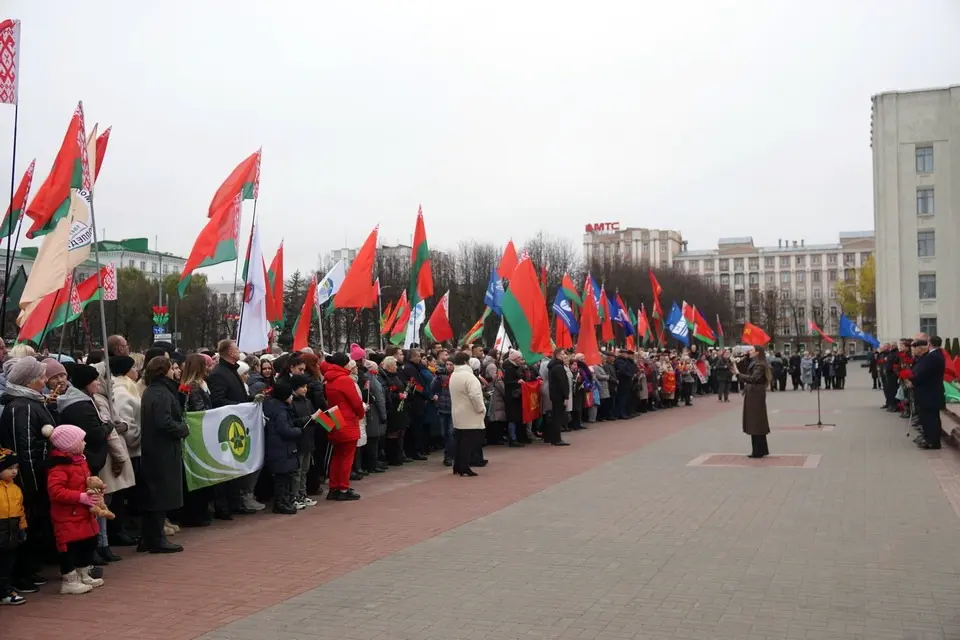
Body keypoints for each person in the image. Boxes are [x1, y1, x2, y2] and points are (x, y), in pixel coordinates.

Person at [0, 357, 57, 594]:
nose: (45, 381)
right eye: (42, 377)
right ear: (30, 380)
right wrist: (31, 482)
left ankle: (29, 570)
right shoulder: (20, 407)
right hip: (27, 478)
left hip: (37, 474)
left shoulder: (31, 402)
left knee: (36, 527)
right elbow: (22, 447)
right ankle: (21, 575)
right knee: (26, 528)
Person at [43, 424, 103, 595]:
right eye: (81, 440)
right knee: (69, 547)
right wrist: (80, 497)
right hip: (67, 515)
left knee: (88, 542)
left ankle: (84, 573)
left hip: (83, 512)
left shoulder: (80, 460)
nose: (84, 443)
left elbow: (87, 480)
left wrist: (95, 488)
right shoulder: (59, 467)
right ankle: (69, 579)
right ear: (70, 445)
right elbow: (56, 492)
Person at [138, 356, 189, 553]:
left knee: (154, 495)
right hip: (162, 450)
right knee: (160, 495)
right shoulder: (161, 393)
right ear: (163, 370)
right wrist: (182, 428)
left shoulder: (154, 391)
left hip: (156, 449)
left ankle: (148, 537)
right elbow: (164, 421)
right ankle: (156, 538)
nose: (175, 371)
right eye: (172, 368)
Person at [207, 339, 261, 516]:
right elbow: (219, 401)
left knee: (237, 467)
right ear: (230, 352)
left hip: (238, 424)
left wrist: (251, 399)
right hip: (226, 426)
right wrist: (242, 406)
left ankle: (235, 502)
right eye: (236, 348)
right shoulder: (218, 374)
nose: (239, 351)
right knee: (227, 468)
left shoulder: (233, 371)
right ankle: (223, 506)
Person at [320, 353, 364, 501]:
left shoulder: (329, 379)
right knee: (347, 457)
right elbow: (356, 402)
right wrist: (361, 413)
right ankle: (343, 488)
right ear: (344, 364)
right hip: (347, 418)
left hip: (335, 417)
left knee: (338, 455)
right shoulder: (345, 380)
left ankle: (335, 487)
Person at [177, 354, 214, 527]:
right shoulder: (192, 386)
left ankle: (201, 510)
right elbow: (199, 408)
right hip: (196, 434)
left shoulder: (200, 384)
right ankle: (195, 512)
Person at [262, 381, 303, 514]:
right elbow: (284, 430)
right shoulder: (280, 411)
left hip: (277, 448)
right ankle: (281, 503)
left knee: (283, 477)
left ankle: (284, 501)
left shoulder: (272, 406)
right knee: (283, 478)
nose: (292, 397)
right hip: (281, 448)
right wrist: (298, 430)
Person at [449, 352, 487, 477]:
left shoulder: (454, 374)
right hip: (470, 412)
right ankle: (464, 466)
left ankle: (458, 465)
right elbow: (475, 395)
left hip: (458, 412)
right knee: (468, 441)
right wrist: (481, 408)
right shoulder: (469, 377)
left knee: (460, 440)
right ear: (467, 362)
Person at [907, 338, 945, 450]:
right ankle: (929, 439)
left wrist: (912, 381)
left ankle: (933, 442)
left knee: (930, 419)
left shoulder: (933, 357)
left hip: (929, 393)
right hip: (929, 393)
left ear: (929, 344)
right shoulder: (934, 356)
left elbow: (923, 373)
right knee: (928, 418)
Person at [0, 448, 27, 605]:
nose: (14, 472)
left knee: (7, 565)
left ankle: (5, 592)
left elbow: (21, 511)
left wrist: (22, 528)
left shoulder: (15, 489)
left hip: (11, 533)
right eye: (9, 468)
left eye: (16, 468)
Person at [740, 347, 772, 458]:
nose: (750, 352)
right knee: (756, 420)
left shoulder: (760, 364)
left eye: (752, 350)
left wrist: (738, 375)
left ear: (758, 352)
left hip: (756, 393)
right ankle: (761, 449)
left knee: (756, 420)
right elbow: (746, 368)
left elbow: (753, 378)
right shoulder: (756, 362)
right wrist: (744, 358)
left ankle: (758, 450)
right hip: (755, 392)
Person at [361, 362, 387, 474]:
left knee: (374, 439)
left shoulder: (371, 378)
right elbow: (379, 398)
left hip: (373, 412)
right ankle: (372, 464)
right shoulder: (371, 380)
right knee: (373, 439)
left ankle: (373, 462)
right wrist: (383, 414)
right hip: (374, 413)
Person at [545, 350, 571, 446]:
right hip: (559, 395)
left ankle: (553, 438)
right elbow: (562, 383)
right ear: (558, 355)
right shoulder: (559, 367)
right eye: (563, 354)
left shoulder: (553, 366)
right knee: (558, 417)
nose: (565, 356)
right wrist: (566, 396)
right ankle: (557, 439)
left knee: (556, 416)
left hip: (555, 394)